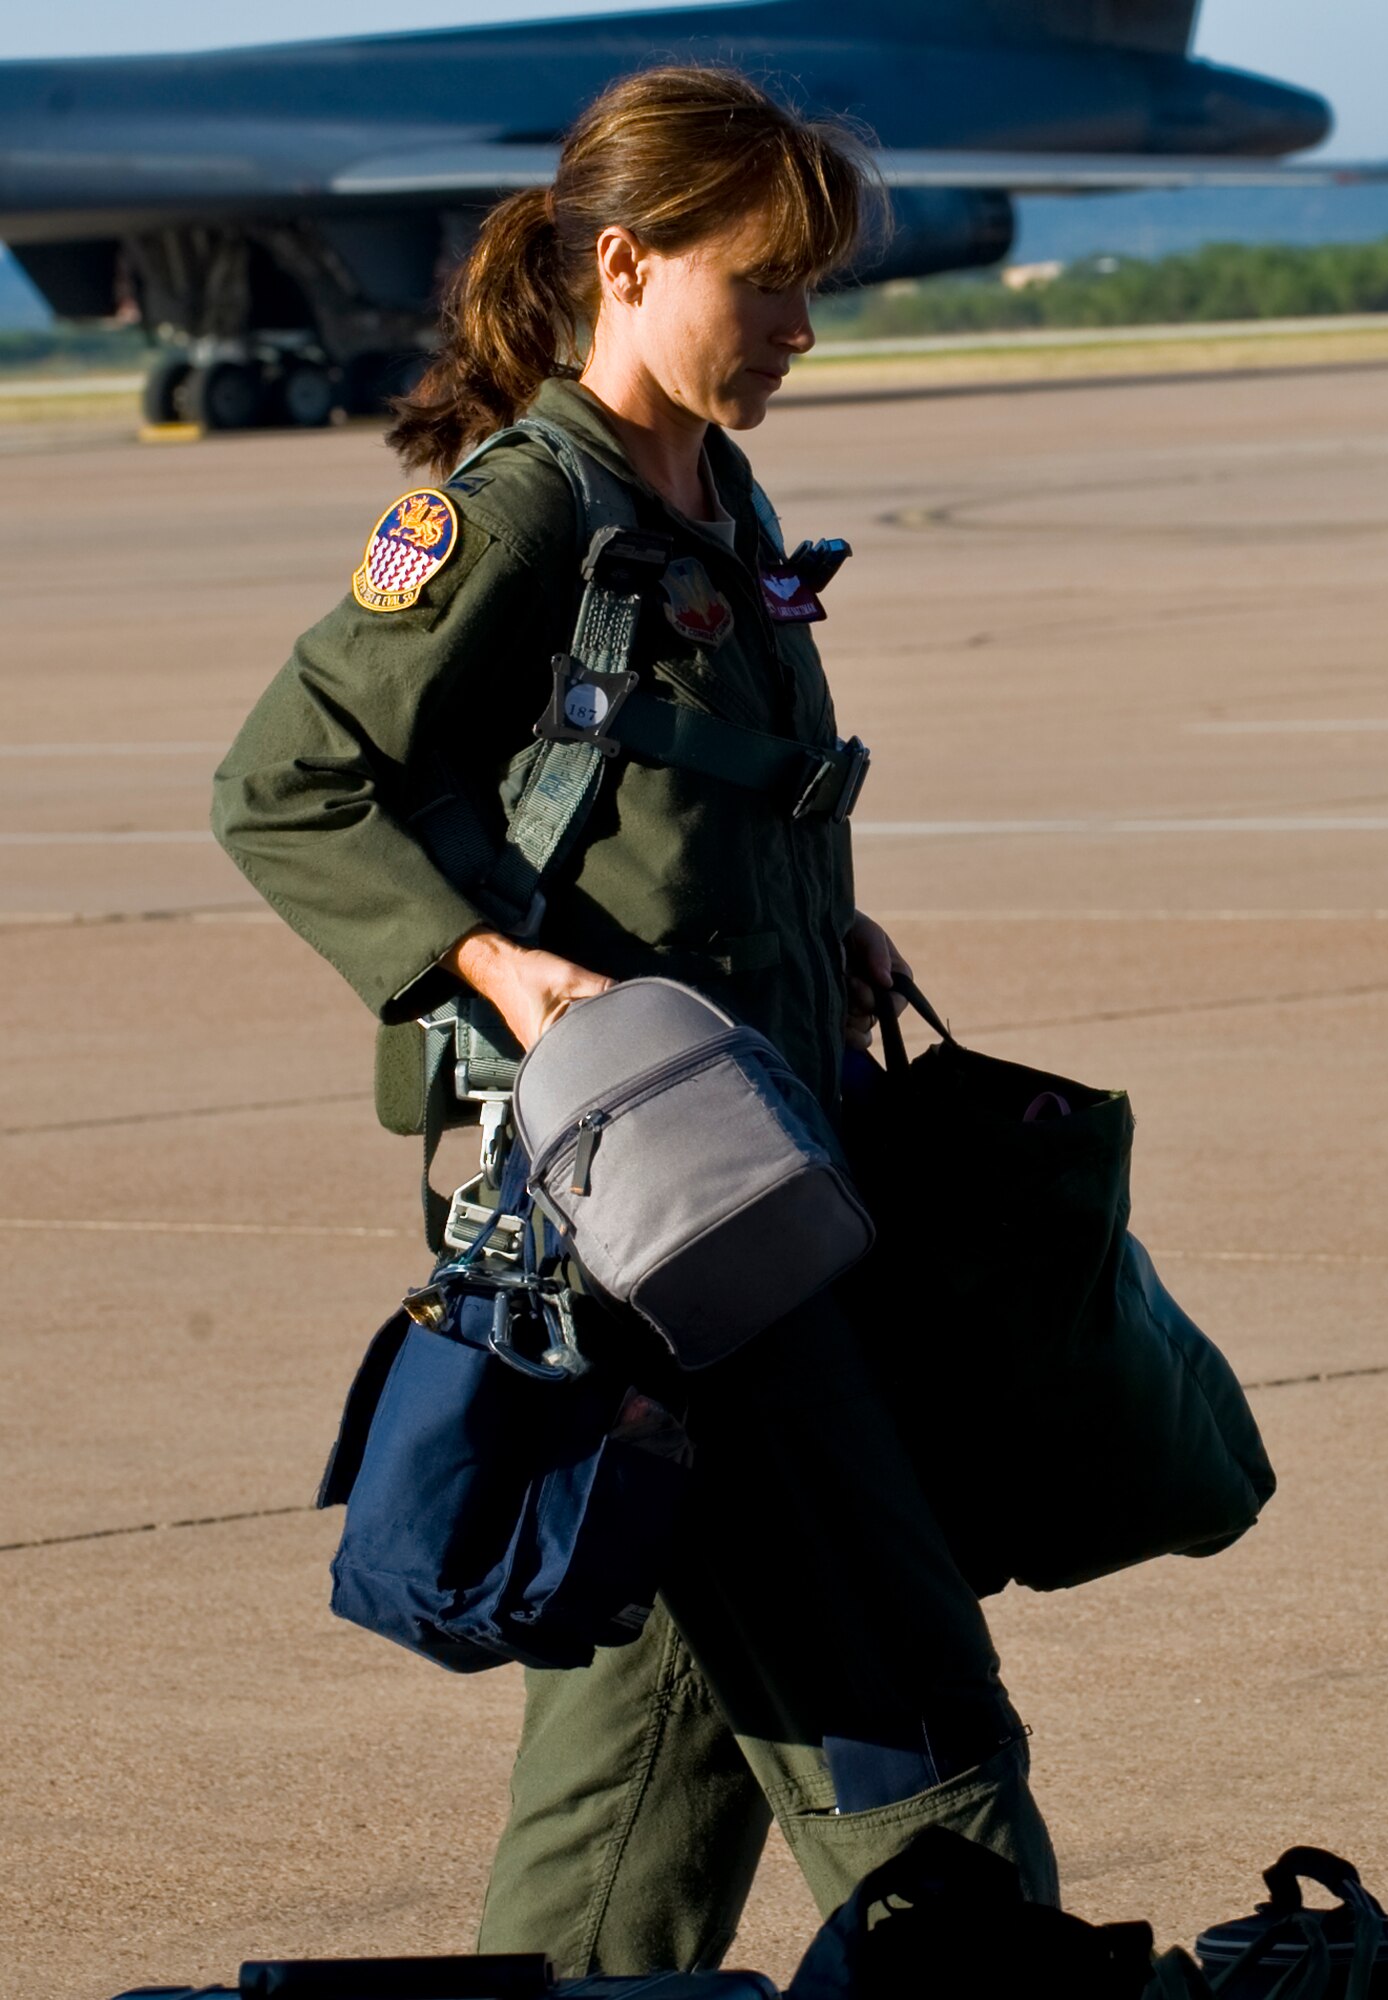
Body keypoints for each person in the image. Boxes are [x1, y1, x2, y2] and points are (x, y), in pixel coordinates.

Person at [213, 64, 1059, 1979]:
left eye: (812, 284)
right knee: (900, 1703)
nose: (798, 325)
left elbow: (683, 800)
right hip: (665, 1223)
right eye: (762, 280)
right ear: (626, 262)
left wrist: (820, 923)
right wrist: (494, 965)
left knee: (648, 1752)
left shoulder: (716, 489)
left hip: (774, 1157)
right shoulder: (516, 512)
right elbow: (285, 784)